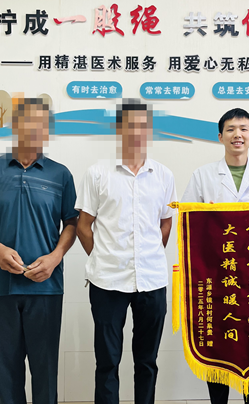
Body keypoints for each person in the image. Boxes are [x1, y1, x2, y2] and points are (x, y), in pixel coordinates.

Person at [0, 97, 78, 404]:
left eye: (43, 123)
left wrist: (55, 257)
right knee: (6, 374)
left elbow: (72, 223)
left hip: (46, 287)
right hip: (1, 286)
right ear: (15, 125)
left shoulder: (60, 175)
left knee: (45, 372)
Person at [181, 107, 249, 404]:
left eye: (243, 129)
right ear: (220, 137)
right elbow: (188, 224)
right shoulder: (202, 176)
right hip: (216, 277)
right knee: (218, 346)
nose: (236, 135)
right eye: (230, 129)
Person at [75, 99, 177, 404]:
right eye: (130, 126)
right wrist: (102, 257)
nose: (137, 132)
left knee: (147, 362)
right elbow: (83, 226)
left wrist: (149, 254)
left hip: (152, 281)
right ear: (119, 129)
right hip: (107, 282)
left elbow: (166, 223)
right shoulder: (97, 173)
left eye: (143, 126)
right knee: (107, 362)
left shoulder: (164, 175)